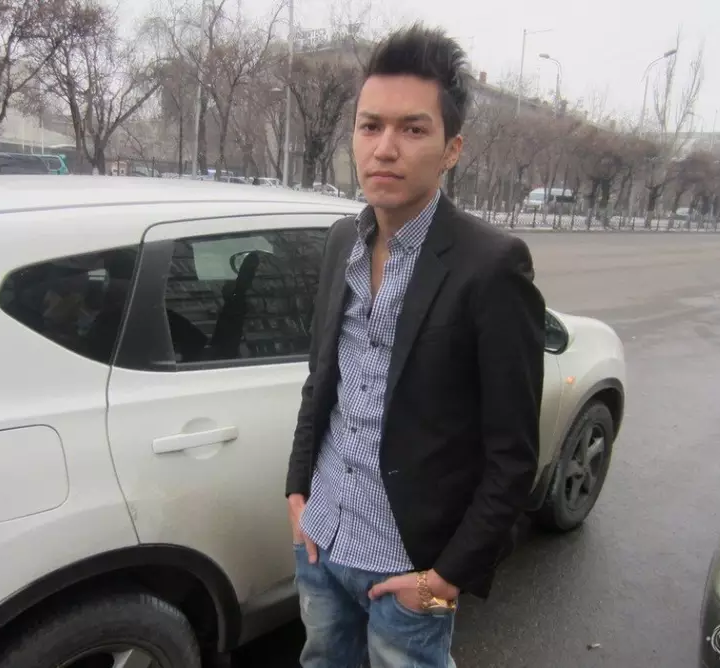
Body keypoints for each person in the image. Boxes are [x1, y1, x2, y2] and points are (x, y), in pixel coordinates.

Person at [285, 22, 547, 668]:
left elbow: (512, 456)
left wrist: (444, 579)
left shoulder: (491, 267)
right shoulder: (341, 242)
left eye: (412, 129)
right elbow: (322, 381)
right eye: (370, 126)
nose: (385, 148)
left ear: (451, 148)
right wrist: (297, 496)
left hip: (408, 566)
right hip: (321, 540)